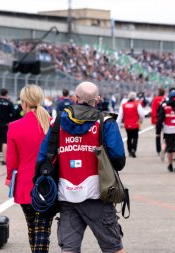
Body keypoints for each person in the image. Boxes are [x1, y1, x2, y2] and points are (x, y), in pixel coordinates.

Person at [37, 81, 126, 253]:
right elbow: (118, 159)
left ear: (75, 98)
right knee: (113, 247)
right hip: (97, 194)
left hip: (66, 194)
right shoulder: (106, 121)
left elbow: (42, 158)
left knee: (69, 248)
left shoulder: (57, 123)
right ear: (97, 100)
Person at [5, 84, 52, 253]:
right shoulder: (51, 124)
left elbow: (11, 160)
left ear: (23, 102)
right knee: (42, 229)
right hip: (48, 183)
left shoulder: (15, 126)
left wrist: (10, 178)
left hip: (25, 184)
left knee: (32, 227)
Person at [0, 88, 15, 165]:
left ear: (0, 93)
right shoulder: (10, 103)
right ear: (6, 94)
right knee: (5, 142)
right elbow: (13, 114)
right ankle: (4, 159)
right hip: (6, 125)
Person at [116, 91, 145, 158]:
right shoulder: (137, 104)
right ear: (135, 98)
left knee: (129, 137)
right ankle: (133, 150)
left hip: (127, 124)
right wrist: (141, 120)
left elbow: (120, 116)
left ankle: (129, 150)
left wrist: (117, 124)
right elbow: (142, 114)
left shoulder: (123, 105)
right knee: (135, 137)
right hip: (135, 124)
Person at [151, 87, 165, 155]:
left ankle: (158, 150)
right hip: (165, 119)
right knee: (166, 135)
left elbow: (153, 111)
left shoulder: (155, 99)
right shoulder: (165, 99)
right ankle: (165, 148)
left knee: (158, 135)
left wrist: (154, 120)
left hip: (158, 119)